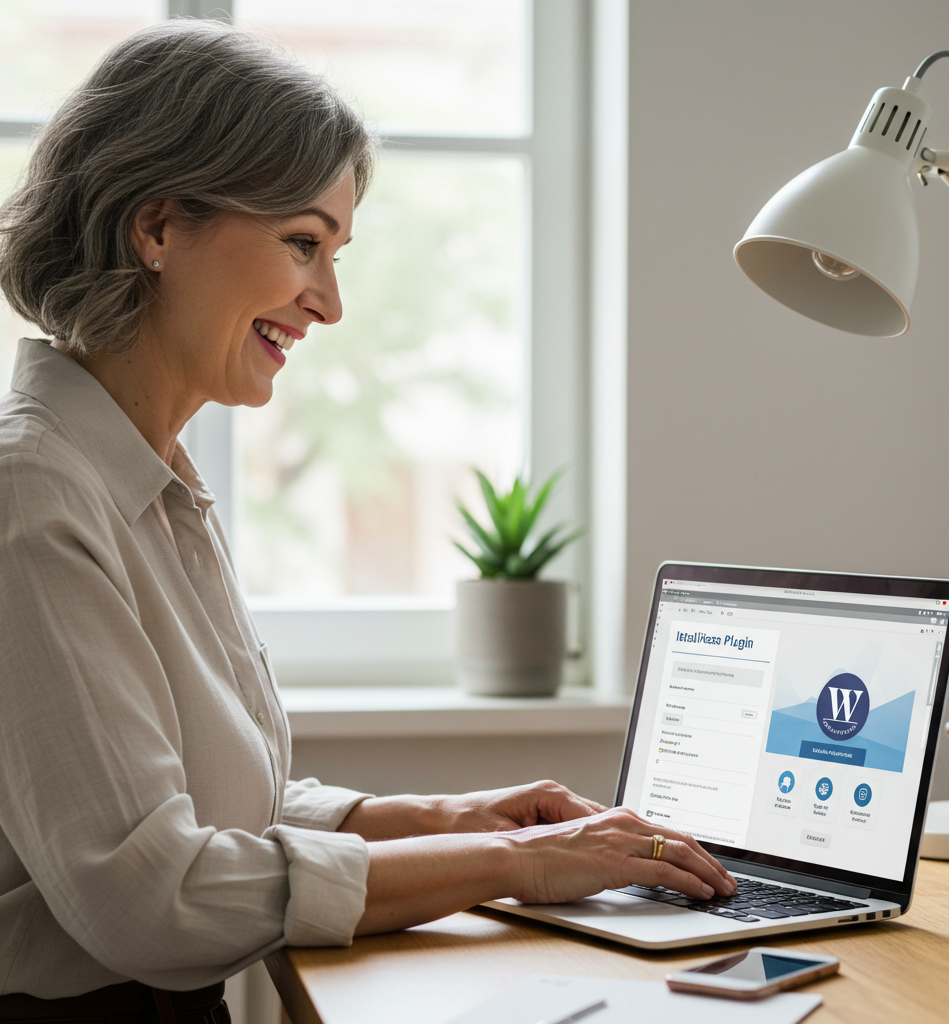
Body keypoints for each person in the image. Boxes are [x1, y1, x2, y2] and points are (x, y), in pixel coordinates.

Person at [0, 19, 735, 1020]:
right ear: (157, 226)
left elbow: (220, 814)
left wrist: (443, 816)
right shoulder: (34, 495)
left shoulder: (150, 480)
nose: (330, 303)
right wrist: (512, 859)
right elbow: (151, 892)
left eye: (334, 251)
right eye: (304, 242)